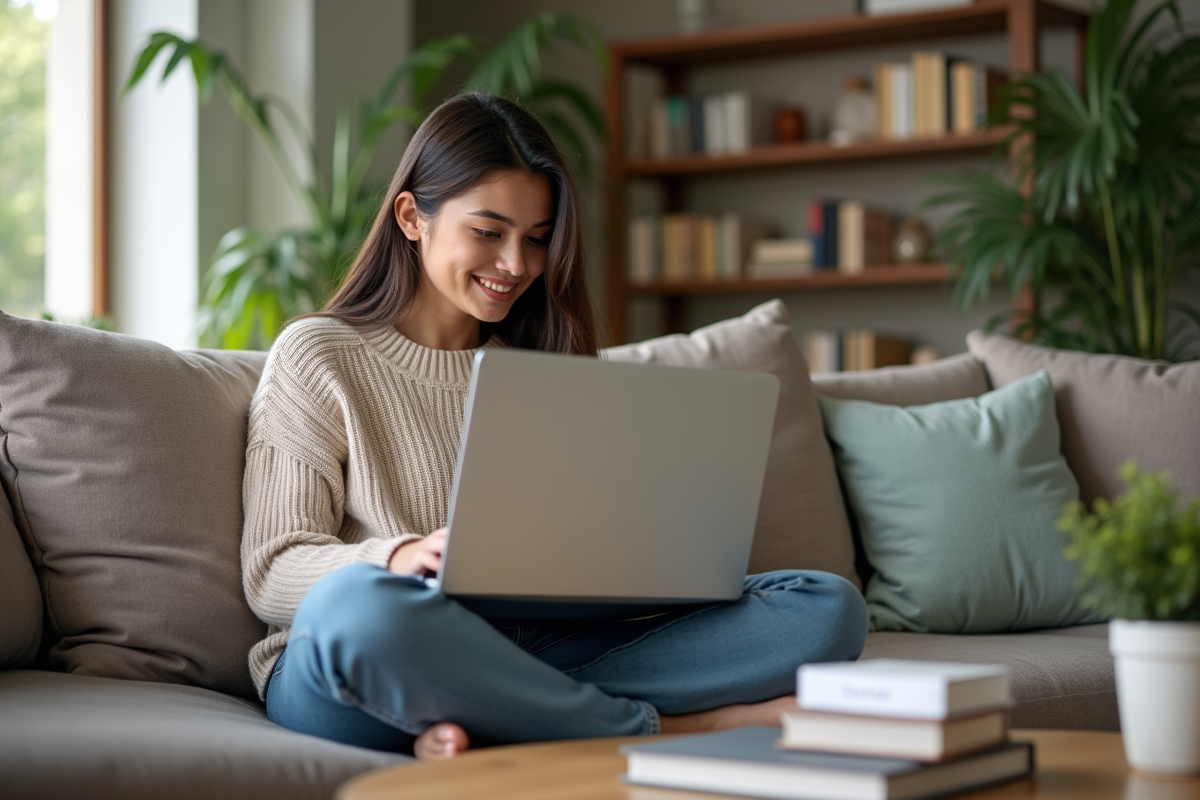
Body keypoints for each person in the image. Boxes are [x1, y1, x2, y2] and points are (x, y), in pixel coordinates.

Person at [241, 92, 868, 761]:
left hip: (532, 648)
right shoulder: (319, 355)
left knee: (826, 606)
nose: (517, 265)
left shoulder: (542, 368)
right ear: (411, 217)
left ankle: (493, 713)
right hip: (363, 652)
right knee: (359, 609)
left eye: (537, 239)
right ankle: (667, 727)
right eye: (489, 232)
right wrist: (397, 557)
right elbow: (272, 569)